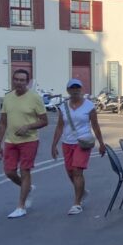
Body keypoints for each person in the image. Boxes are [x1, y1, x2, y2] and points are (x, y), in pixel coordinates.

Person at [0, 69, 48, 219]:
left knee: (25, 171)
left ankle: (21, 206)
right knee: (9, 172)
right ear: (13, 80)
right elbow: (2, 123)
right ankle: (28, 189)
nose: (19, 82)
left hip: (29, 140)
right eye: (16, 80)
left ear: (27, 82)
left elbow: (44, 121)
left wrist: (28, 126)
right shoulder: (7, 98)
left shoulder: (35, 98)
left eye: (22, 80)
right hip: (10, 141)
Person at [51, 79, 106, 215]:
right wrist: (54, 145)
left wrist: (101, 143)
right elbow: (59, 127)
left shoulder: (89, 106)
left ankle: (77, 203)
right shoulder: (63, 107)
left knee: (77, 171)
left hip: (83, 142)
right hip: (67, 142)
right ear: (68, 90)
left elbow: (95, 125)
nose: (75, 91)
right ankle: (82, 191)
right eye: (72, 88)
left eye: (77, 88)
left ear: (81, 89)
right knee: (70, 172)